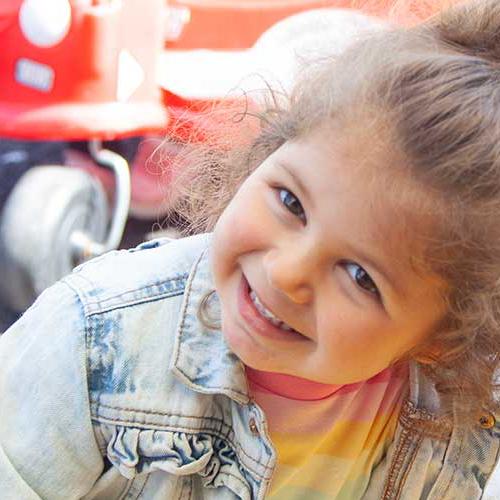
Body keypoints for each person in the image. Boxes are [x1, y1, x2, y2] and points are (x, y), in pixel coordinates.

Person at [2, 0, 500, 498]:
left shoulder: (455, 427)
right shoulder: (95, 338)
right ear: (267, 151)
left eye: (359, 276)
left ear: (441, 340)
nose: (286, 272)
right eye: (291, 203)